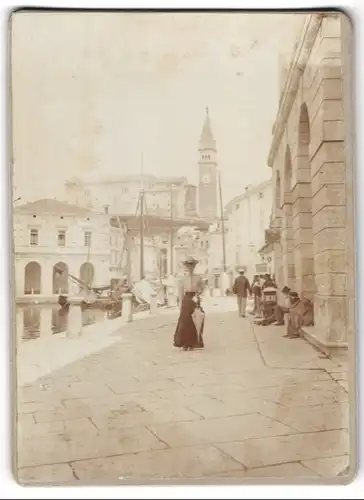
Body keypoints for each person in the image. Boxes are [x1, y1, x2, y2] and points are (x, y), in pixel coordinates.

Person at [174, 257, 205, 351]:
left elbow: (202, 288)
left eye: (192, 266)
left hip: (195, 298)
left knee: (194, 321)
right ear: (186, 267)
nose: (190, 268)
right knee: (185, 320)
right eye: (188, 266)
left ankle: (193, 343)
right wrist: (180, 301)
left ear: (194, 267)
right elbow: (180, 291)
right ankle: (184, 343)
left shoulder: (198, 278)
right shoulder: (183, 278)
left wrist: (198, 294)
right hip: (186, 299)